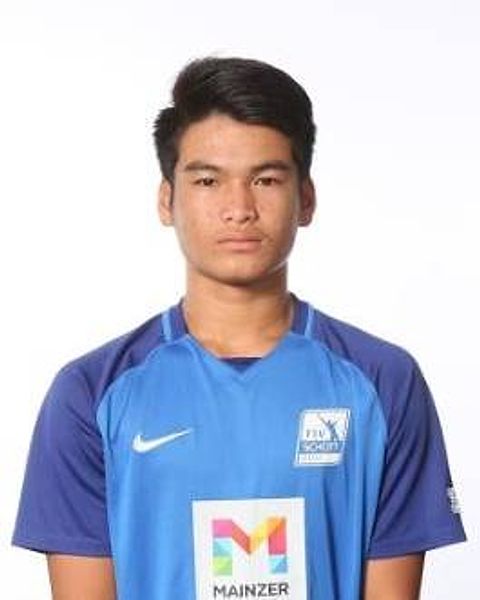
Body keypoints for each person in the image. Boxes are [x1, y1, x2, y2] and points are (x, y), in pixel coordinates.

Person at [12, 56, 466, 600]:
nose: (239, 208)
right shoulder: (89, 393)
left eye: (266, 179)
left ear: (306, 199)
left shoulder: (383, 382)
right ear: (166, 200)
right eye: (208, 180)